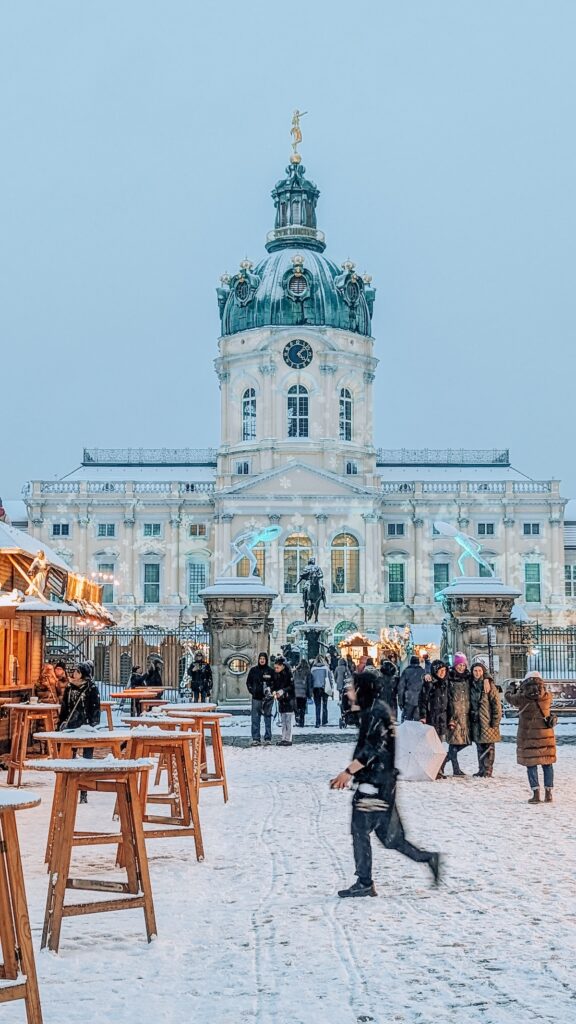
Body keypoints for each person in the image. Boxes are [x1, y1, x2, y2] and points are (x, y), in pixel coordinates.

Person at [331, 671, 440, 897]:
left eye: (352, 687)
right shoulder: (373, 710)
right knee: (391, 839)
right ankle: (427, 858)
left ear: (362, 690)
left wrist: (348, 772)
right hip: (383, 784)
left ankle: (364, 882)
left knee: (360, 831)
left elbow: (374, 747)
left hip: (373, 785)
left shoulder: (375, 713)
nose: (348, 691)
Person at [505, 671, 557, 802]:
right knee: (547, 764)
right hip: (545, 735)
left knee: (531, 764)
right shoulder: (547, 695)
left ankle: (536, 794)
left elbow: (509, 698)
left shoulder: (522, 697)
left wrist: (511, 688)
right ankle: (549, 793)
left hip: (528, 736)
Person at [58, 662, 101, 803]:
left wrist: (92, 724)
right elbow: (64, 708)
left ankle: (84, 792)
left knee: (87, 760)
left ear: (83, 673)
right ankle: (69, 788)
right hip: (71, 728)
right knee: (71, 758)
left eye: (77, 671)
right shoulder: (70, 688)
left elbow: (95, 709)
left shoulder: (91, 688)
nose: (74, 673)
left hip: (86, 729)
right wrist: (61, 723)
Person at [469, 661, 502, 778]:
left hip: (487, 720)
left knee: (489, 746)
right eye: (475, 671)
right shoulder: (471, 683)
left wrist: (495, 720)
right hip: (476, 720)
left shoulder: (489, 685)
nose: (477, 673)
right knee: (479, 746)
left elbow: (496, 704)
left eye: (480, 671)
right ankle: (481, 769)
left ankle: (488, 770)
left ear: (483, 672)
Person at [419, 660, 450, 779]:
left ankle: (439, 770)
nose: (442, 673)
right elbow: (422, 701)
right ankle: (432, 770)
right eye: (440, 671)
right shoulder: (429, 683)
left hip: (442, 719)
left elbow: (449, 702)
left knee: (439, 747)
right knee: (431, 747)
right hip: (431, 719)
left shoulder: (446, 683)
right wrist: (423, 716)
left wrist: (450, 718)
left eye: (444, 670)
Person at [445, 652, 471, 776]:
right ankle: (455, 768)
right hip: (454, 715)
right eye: (458, 664)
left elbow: (482, 673)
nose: (461, 667)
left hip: (466, 715)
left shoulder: (468, 676)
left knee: (466, 741)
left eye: (463, 664)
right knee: (454, 742)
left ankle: (443, 762)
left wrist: (487, 678)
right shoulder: (449, 677)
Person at [246, 653, 274, 745]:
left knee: (267, 718)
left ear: (266, 660)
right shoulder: (253, 670)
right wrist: (252, 691)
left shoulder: (270, 671)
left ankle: (268, 738)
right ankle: (256, 738)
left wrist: (271, 690)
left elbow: (274, 683)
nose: (262, 660)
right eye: (260, 658)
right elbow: (248, 682)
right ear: (258, 659)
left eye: (263, 659)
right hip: (256, 698)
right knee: (255, 718)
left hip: (268, 698)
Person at [272, 656, 295, 746]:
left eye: (277, 667)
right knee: (283, 720)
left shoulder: (288, 674)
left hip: (288, 699)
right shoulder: (277, 675)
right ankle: (284, 737)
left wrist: (283, 691)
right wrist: (274, 691)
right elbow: (274, 685)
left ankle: (288, 738)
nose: (276, 669)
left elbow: (291, 687)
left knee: (288, 720)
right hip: (281, 699)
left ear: (282, 666)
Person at [398, 655, 426, 723]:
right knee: (418, 724)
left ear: (410, 662)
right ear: (418, 662)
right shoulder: (423, 672)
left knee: (406, 723)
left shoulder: (406, 672)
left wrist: (400, 702)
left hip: (408, 700)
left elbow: (401, 688)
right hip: (419, 701)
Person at [310, 654, 332, 728]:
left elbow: (311, 680)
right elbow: (330, 678)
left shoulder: (313, 669)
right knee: (325, 705)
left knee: (317, 706)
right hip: (324, 688)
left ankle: (317, 722)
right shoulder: (326, 668)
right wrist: (331, 688)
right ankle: (324, 721)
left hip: (316, 688)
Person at [293, 658, 312, 726]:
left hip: (296, 692)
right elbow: (309, 683)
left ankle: (297, 719)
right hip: (303, 692)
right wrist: (309, 694)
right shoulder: (307, 671)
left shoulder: (296, 671)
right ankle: (302, 721)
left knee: (296, 707)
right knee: (302, 707)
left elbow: (293, 681)